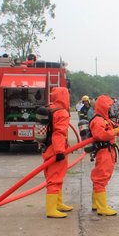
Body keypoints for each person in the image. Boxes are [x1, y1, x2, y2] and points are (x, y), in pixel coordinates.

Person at [42, 87, 72, 218]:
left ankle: (58, 204)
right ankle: (51, 210)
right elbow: (59, 133)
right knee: (54, 179)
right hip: (56, 149)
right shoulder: (62, 112)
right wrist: (60, 151)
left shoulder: (50, 108)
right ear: (64, 96)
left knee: (57, 177)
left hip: (48, 148)